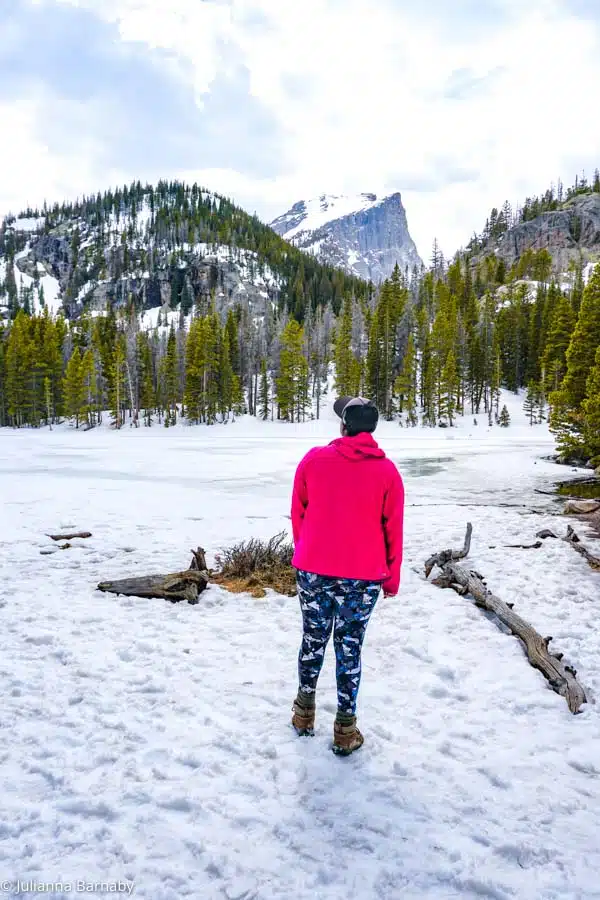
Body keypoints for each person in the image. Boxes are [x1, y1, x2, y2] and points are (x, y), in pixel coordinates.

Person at [290, 396, 404, 755]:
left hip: (313, 570)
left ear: (344, 426)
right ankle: (344, 729)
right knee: (349, 647)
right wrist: (391, 577)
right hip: (363, 576)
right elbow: (393, 530)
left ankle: (303, 713)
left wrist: (307, 550)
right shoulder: (387, 473)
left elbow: (299, 513)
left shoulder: (314, 460)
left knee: (313, 638)